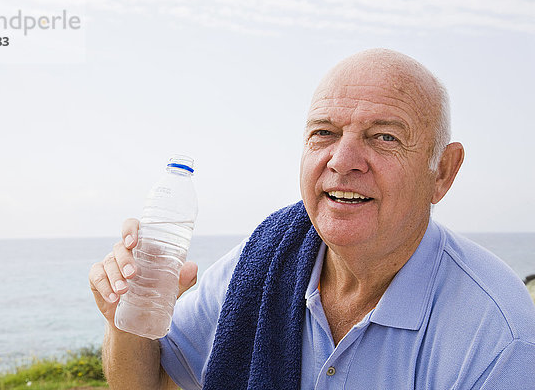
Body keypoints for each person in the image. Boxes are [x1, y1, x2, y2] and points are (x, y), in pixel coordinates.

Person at [89, 49, 535, 389]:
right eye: (324, 132)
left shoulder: (498, 336)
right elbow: (154, 381)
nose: (343, 161)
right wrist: (121, 319)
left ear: (442, 172)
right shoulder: (264, 260)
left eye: (383, 137)